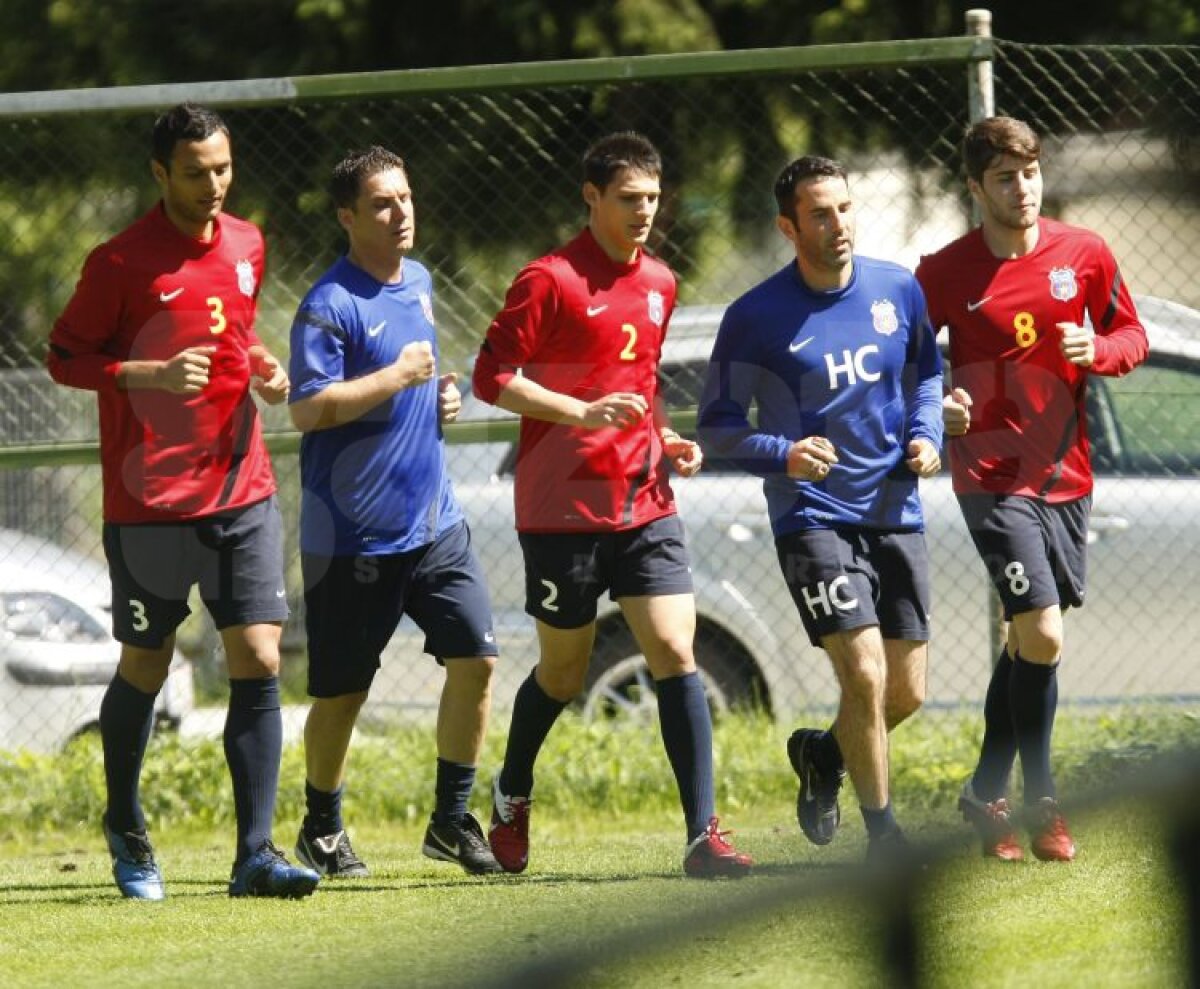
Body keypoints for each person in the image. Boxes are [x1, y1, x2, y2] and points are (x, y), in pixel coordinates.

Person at [46, 102, 319, 899]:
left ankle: (255, 855)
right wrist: (149, 375)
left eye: (223, 169)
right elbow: (66, 358)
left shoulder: (247, 242)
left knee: (261, 656)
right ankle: (127, 828)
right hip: (150, 501)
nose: (213, 186)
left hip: (241, 484)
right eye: (196, 172)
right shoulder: (119, 262)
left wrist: (265, 370)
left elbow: (236, 334)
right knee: (148, 661)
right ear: (160, 172)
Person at [472, 131, 752, 879]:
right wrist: (579, 411)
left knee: (676, 651)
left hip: (645, 501)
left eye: (653, 199)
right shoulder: (549, 279)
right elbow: (491, 377)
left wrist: (664, 437)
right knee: (563, 674)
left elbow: (642, 380)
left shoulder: (660, 280)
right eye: (629, 199)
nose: (645, 213)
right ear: (591, 197)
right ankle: (511, 791)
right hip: (562, 510)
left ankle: (704, 835)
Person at [698, 155, 944, 863]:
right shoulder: (754, 317)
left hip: (896, 508)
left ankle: (821, 755)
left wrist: (926, 436)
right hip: (812, 515)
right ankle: (884, 836)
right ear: (788, 226)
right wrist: (785, 452)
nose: (837, 224)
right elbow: (716, 425)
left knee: (905, 692)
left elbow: (926, 373)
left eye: (844, 208)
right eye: (819, 213)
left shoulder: (897, 289)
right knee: (863, 676)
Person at [915, 116, 1148, 862]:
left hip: (1065, 474)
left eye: (1031, 172)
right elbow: (908, 365)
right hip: (989, 476)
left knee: (1028, 640)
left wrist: (1099, 347)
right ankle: (1044, 800)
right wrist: (936, 409)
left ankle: (985, 790)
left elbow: (1131, 334)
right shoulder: (945, 271)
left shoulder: (1085, 253)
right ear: (975, 187)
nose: (1023, 188)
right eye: (1006, 177)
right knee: (1043, 630)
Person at [288, 146, 502, 877]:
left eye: (405, 197)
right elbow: (308, 407)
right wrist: (396, 377)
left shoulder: (420, 281)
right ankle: (321, 826)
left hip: (435, 522)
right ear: (348, 216)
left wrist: (437, 395)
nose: (400, 211)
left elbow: (422, 380)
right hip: (352, 535)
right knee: (344, 691)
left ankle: (450, 820)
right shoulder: (328, 303)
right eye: (382, 203)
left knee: (476, 658)